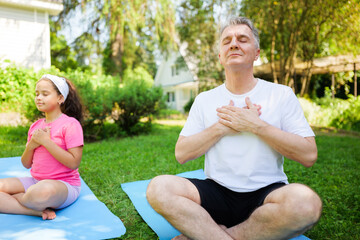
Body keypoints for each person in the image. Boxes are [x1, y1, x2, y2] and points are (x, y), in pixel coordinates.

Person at [146, 16, 322, 240]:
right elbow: (182, 154)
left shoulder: (281, 95)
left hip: (266, 195)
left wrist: (256, 125)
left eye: (242, 39)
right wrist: (222, 127)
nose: (234, 44)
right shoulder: (204, 100)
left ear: (256, 53)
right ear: (220, 55)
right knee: (158, 188)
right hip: (216, 192)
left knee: (307, 204)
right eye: (226, 40)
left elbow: (309, 155)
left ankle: (215, 235)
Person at [0, 74, 84, 220]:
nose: (39, 97)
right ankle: (35, 211)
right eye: (37, 94)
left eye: (45, 94)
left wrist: (46, 142)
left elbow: (73, 163)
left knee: (42, 191)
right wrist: (32, 145)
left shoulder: (70, 124)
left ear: (60, 98)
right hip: (35, 181)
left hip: (63, 185)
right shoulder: (35, 127)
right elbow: (26, 164)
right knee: (31, 189)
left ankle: (19, 198)